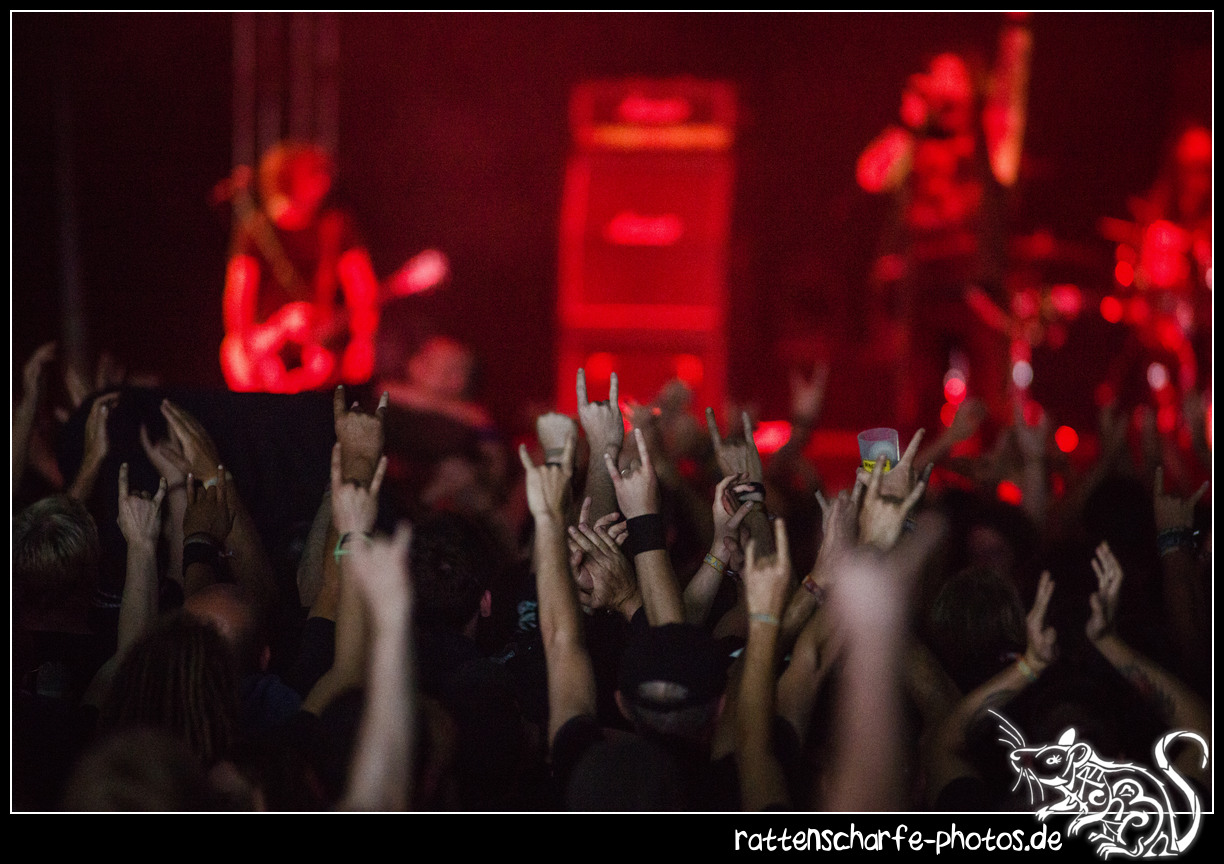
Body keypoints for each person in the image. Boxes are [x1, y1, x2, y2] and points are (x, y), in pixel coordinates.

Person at [857, 12, 1033, 433]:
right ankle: (917, 472)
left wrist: (1017, 32)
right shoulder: (914, 138)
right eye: (937, 75)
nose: (944, 85)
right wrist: (908, 123)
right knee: (917, 406)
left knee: (990, 405)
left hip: (977, 290)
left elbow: (1011, 98)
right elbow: (871, 176)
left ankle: (991, 471)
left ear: (972, 84)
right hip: (922, 289)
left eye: (953, 76)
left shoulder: (988, 139)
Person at [220, 140, 380, 394]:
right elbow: (238, 298)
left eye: (325, 173)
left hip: (321, 352)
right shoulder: (255, 232)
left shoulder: (336, 228)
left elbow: (362, 289)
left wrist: (363, 342)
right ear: (285, 177)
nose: (323, 180)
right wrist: (243, 347)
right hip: (268, 352)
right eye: (313, 173)